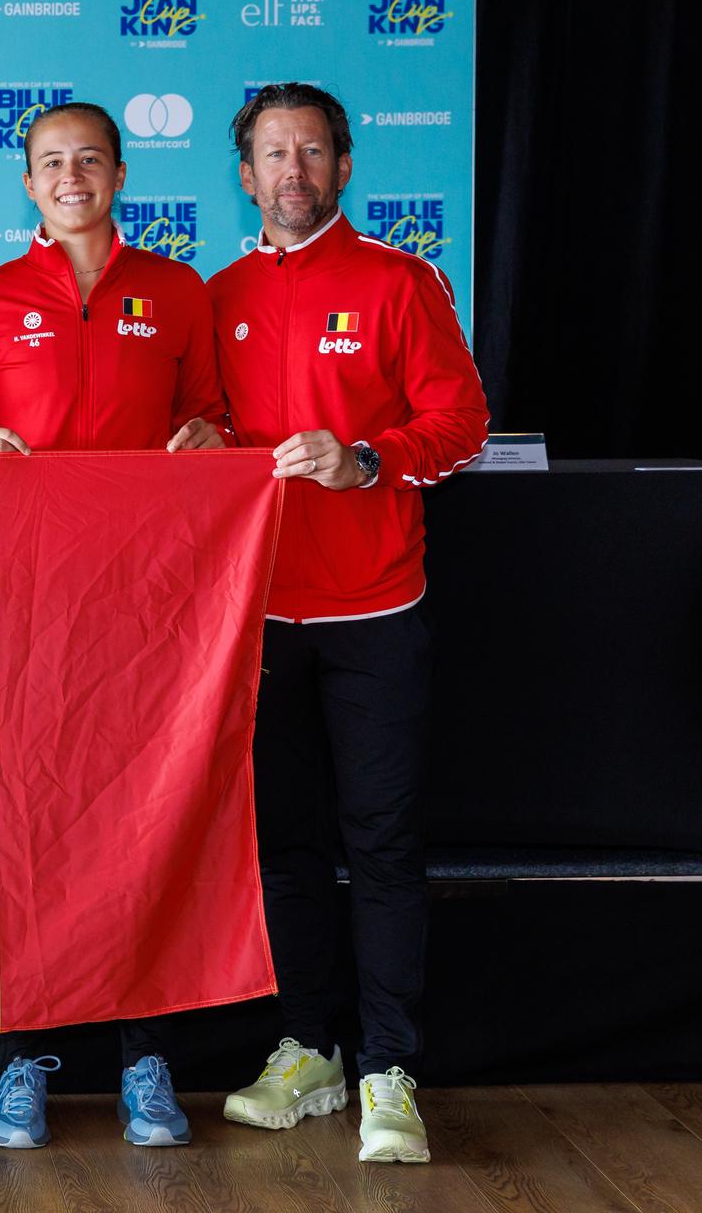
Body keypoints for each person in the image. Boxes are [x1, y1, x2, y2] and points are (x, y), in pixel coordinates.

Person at [206, 82, 489, 1164]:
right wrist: (199, 438)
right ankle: (309, 1046)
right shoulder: (221, 294)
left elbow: (461, 422)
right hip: (260, 616)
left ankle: (389, 1067)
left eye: (313, 150)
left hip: (376, 609)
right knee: (284, 845)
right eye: (275, 154)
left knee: (380, 841)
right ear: (246, 176)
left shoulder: (399, 281)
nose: (295, 170)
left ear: (344, 166)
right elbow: (208, 427)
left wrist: (367, 458)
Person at [0, 99, 226, 1151]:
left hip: (151, 605)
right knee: (27, 826)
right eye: (52, 163)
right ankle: (20, 1060)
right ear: (28, 183)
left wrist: (209, 439)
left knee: (143, 825)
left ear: (119, 176)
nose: (72, 178)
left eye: (91, 161)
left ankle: (146, 1061)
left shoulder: (178, 290)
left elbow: (215, 422)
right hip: (25, 601)